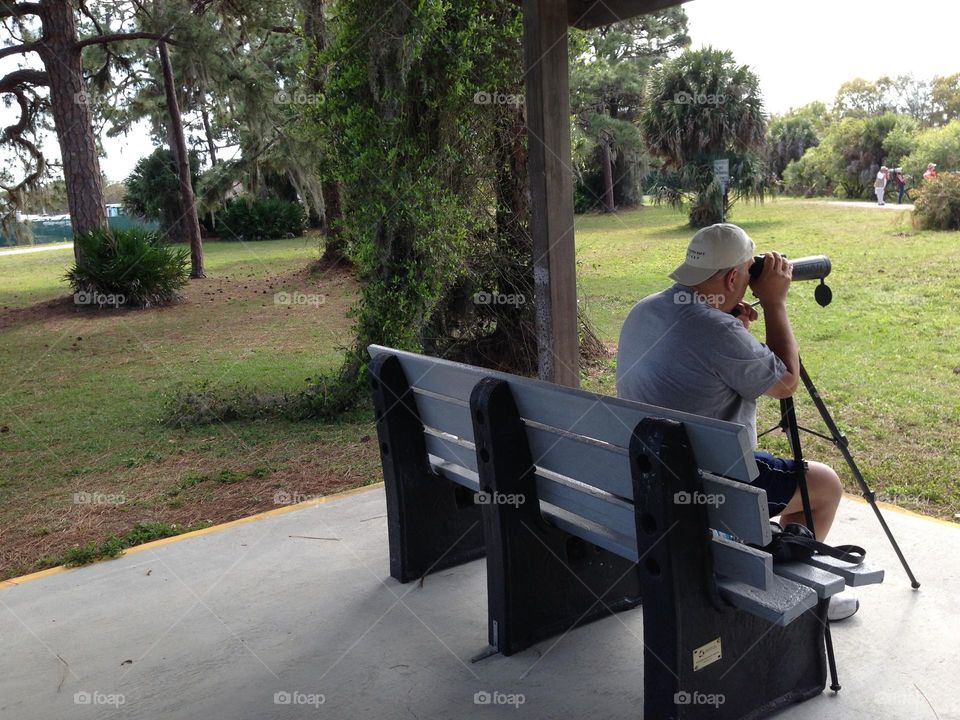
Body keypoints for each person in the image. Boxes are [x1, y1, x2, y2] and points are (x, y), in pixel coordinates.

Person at [616, 223, 859, 621]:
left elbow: (698, 355)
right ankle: (795, 591)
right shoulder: (717, 329)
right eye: (748, 276)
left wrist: (732, 323)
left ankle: (762, 559)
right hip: (706, 486)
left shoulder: (646, 309)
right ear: (732, 277)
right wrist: (776, 304)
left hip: (644, 474)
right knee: (826, 486)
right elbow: (785, 384)